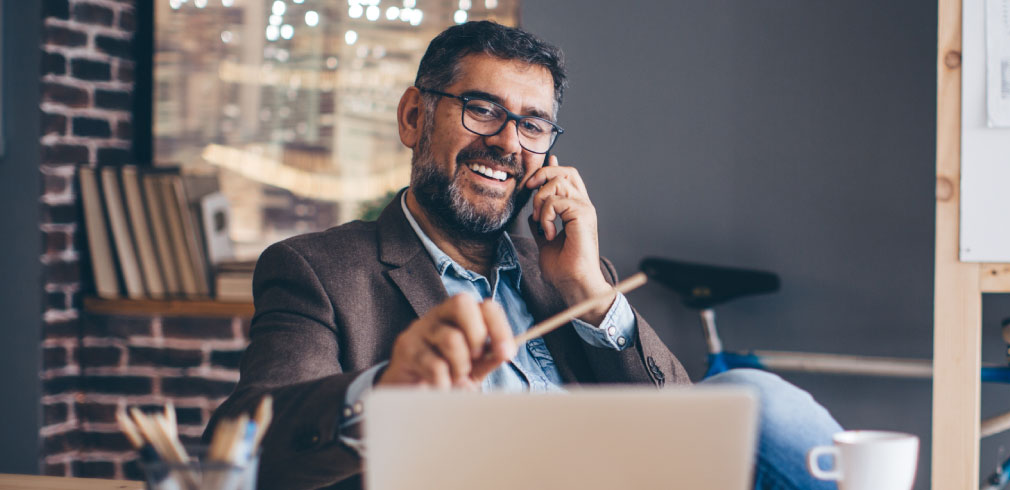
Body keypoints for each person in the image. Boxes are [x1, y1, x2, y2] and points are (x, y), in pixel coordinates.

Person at [208, 21, 842, 490]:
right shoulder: (318, 270)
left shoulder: (568, 273)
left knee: (749, 395)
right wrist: (388, 394)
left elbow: (689, 416)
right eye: (482, 109)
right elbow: (243, 448)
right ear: (412, 118)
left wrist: (590, 294)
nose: (508, 143)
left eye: (533, 125)